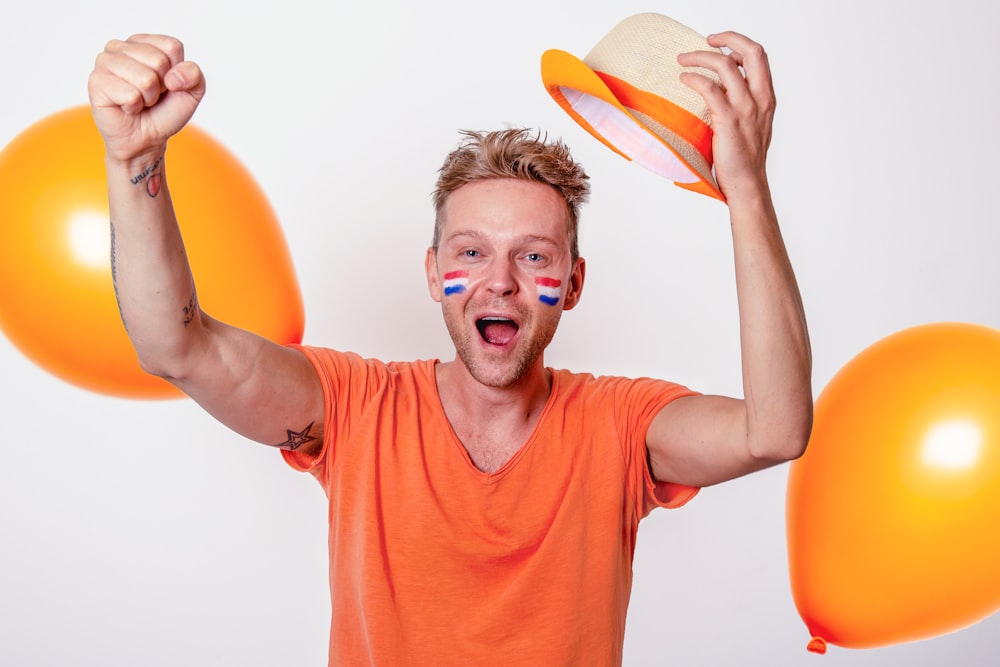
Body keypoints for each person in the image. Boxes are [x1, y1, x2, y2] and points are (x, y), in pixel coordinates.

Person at [88, 29, 812, 666]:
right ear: (435, 273)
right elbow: (176, 347)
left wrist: (745, 187)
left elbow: (774, 430)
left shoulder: (620, 426)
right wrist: (135, 157)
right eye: (471, 251)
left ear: (575, 280)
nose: (500, 282)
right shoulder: (355, 408)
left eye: (533, 257)